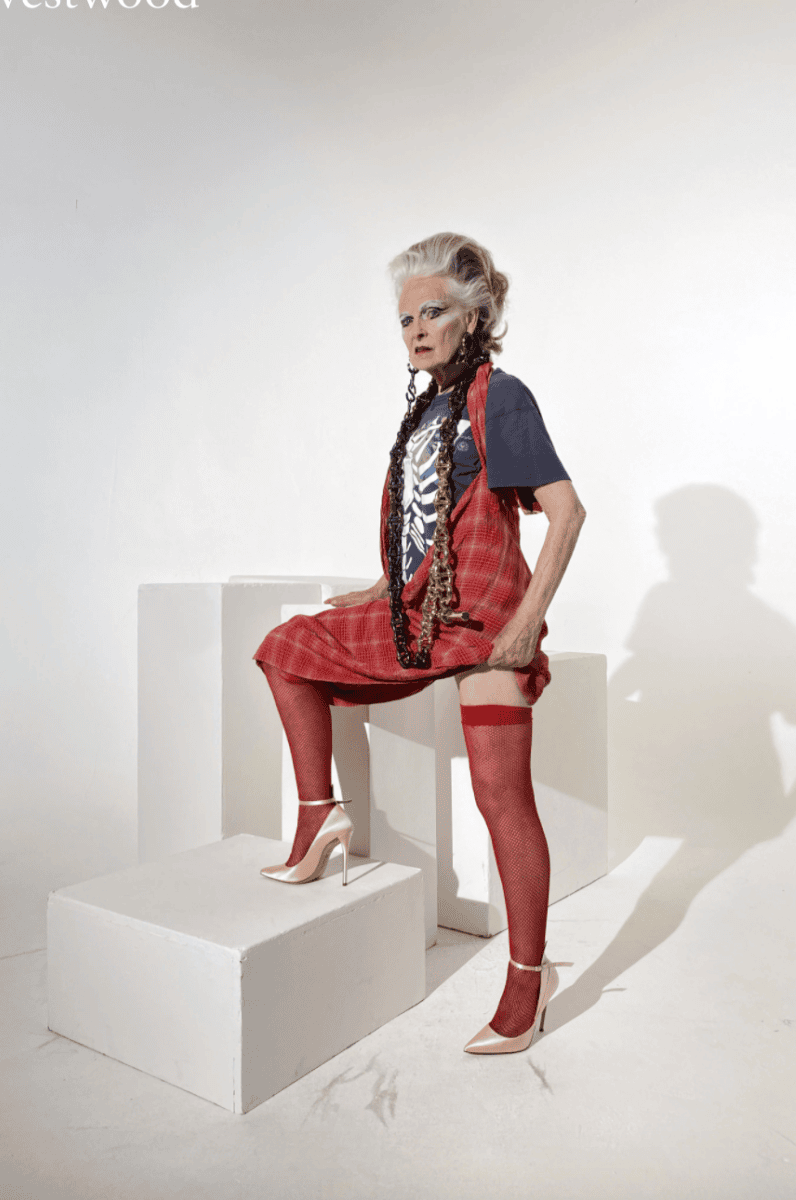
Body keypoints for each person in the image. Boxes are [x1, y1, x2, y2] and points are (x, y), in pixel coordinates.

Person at [254, 233, 586, 1054]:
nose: (416, 330)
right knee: (287, 648)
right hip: (419, 613)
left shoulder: (501, 397)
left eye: (433, 312)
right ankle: (319, 815)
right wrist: (384, 584)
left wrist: (524, 625)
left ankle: (528, 978)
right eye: (405, 319)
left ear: (473, 316)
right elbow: (425, 520)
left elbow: (567, 511)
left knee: (501, 797)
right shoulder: (427, 409)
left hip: (482, 620)